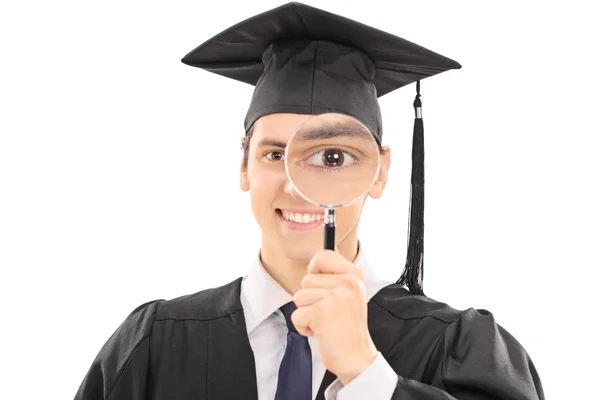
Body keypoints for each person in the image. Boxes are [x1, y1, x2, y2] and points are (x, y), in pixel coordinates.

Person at [73, 2, 545, 399]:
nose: (298, 184)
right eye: (276, 153)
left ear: (379, 172)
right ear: (243, 166)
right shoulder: (157, 344)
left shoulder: (457, 347)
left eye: (333, 156)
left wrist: (366, 374)